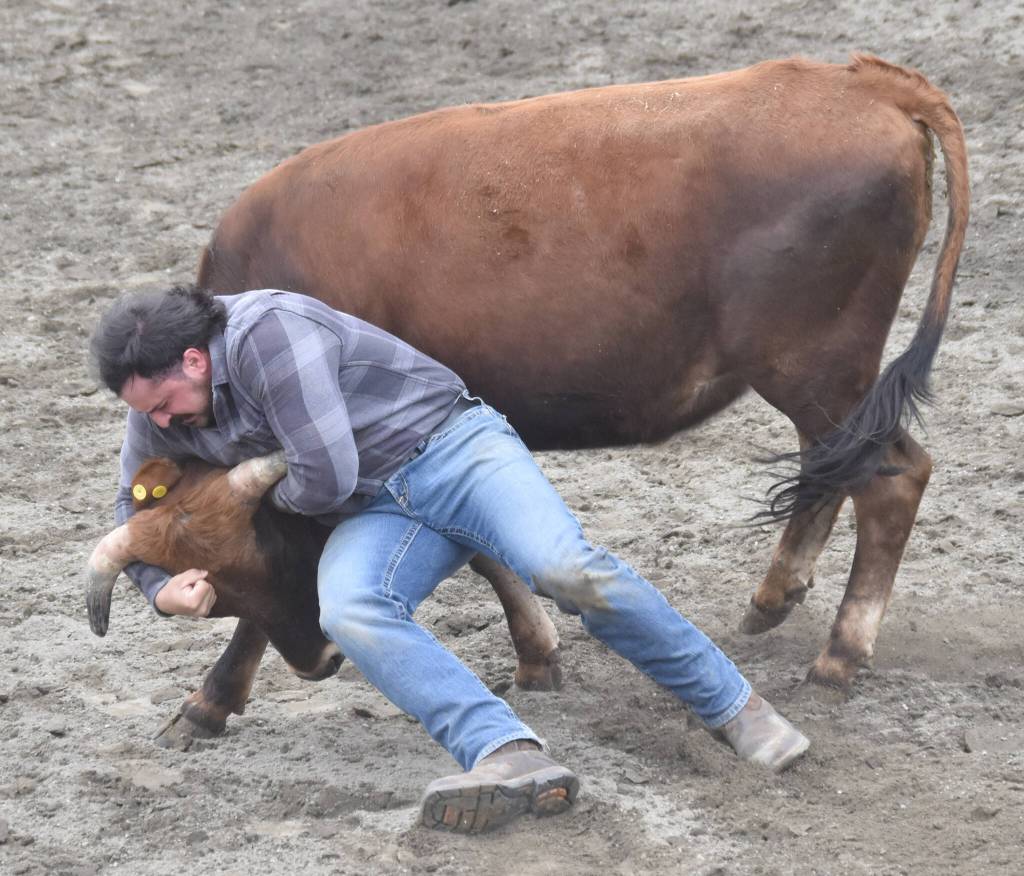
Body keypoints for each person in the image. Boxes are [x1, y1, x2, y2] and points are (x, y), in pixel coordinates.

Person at [90, 284, 810, 833]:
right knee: (351, 608)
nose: (159, 424)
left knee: (564, 568)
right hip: (377, 510)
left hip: (456, 452)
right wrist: (158, 590)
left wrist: (250, 514)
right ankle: (504, 751)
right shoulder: (156, 408)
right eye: (145, 413)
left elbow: (326, 476)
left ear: (193, 358)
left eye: (164, 404)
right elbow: (135, 514)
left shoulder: (270, 332)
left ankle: (735, 707)